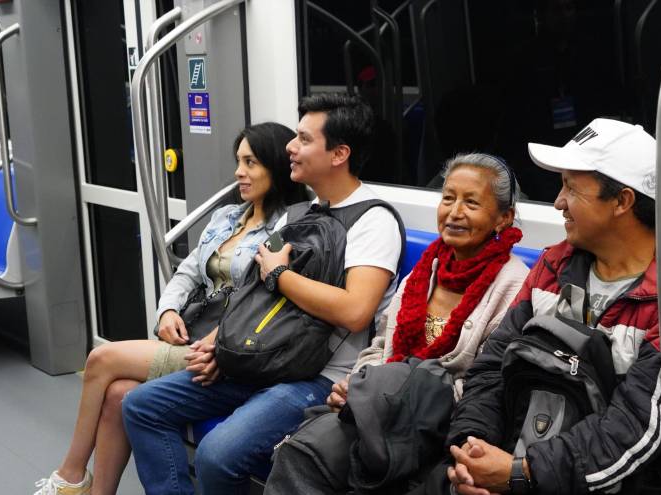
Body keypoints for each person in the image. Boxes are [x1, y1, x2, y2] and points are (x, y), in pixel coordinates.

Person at [122, 93, 404, 495]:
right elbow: (255, 296)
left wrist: (282, 275)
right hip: (271, 356)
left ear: (339, 153)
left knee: (217, 455)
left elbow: (355, 311)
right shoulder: (300, 214)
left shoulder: (373, 221)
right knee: (141, 406)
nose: (291, 146)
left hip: (320, 375)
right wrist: (221, 343)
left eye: (304, 139)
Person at [441, 118, 661, 494]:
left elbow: (633, 429)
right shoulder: (555, 267)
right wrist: (472, 450)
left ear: (622, 201)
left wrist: (519, 474)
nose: (558, 203)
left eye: (571, 189)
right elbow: (492, 368)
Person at [33, 122, 307, 495]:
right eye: (238, 161)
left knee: (101, 360)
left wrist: (217, 341)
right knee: (118, 395)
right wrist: (167, 312)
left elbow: (258, 300)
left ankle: (71, 476)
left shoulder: (288, 227)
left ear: (276, 167)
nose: (239, 172)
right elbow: (188, 272)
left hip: (221, 347)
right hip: (193, 331)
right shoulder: (226, 218)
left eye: (251, 162)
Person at [264, 152, 531, 494]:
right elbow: (380, 346)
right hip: (381, 408)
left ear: (503, 218)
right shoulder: (425, 272)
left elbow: (489, 384)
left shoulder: (512, 285)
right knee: (300, 456)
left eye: (471, 203)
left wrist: (379, 398)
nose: (454, 212)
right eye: (448, 198)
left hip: (444, 426)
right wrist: (357, 385)